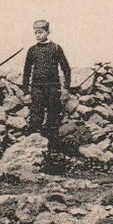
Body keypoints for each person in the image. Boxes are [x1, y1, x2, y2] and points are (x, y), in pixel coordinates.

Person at [22, 19, 71, 153]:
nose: (38, 35)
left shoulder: (55, 48)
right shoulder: (32, 50)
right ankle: (33, 149)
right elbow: (26, 71)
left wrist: (66, 88)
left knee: (53, 115)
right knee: (36, 115)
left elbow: (66, 69)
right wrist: (26, 91)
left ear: (47, 32)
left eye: (41, 32)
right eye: (35, 32)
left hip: (53, 87)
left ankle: (53, 149)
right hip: (37, 87)